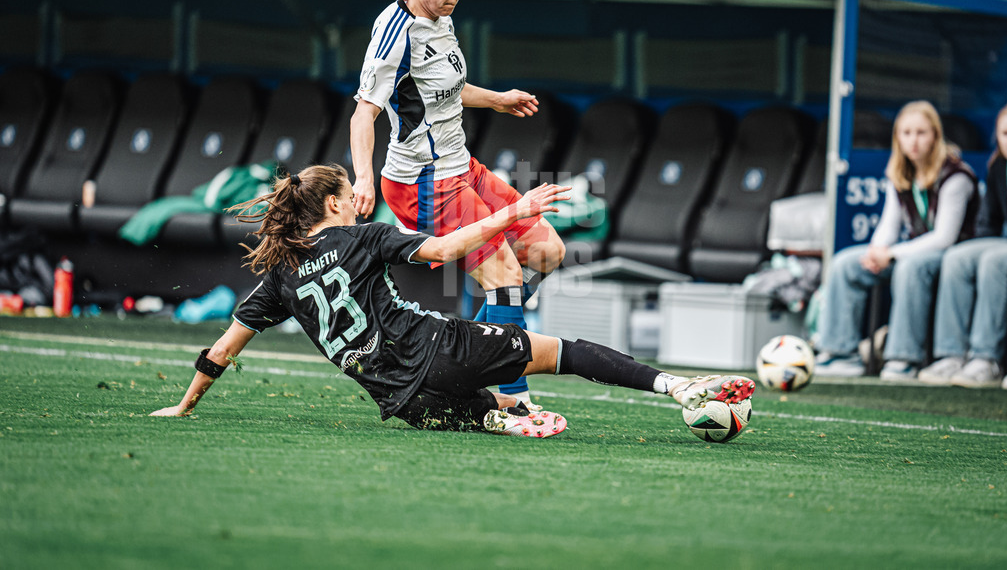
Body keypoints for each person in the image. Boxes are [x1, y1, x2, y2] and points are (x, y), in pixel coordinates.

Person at [148, 164, 756, 437]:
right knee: (558, 351)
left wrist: (184, 407)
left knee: (482, 400)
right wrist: (513, 214)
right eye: (348, 193)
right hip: (437, 351)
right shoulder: (363, 236)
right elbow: (442, 250)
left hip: (400, 403)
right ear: (334, 204)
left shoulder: (279, 275)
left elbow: (220, 351)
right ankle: (679, 388)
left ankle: (497, 416)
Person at [350, 0, 567, 408]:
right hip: (422, 182)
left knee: (548, 251)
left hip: (461, 166)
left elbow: (447, 87)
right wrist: (363, 178)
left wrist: (498, 100)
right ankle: (512, 401)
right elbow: (364, 112)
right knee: (506, 278)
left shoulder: (439, 18)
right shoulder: (395, 33)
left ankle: (472, 345)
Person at [815, 101, 979, 380]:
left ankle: (904, 357)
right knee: (845, 263)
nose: (913, 141)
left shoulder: (956, 175)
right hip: (911, 251)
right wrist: (876, 251)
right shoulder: (900, 174)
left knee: (909, 267)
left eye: (921, 133)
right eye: (906, 133)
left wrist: (891, 254)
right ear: (897, 138)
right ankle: (840, 352)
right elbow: (889, 225)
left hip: (951, 255)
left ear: (935, 136)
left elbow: (944, 238)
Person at [918, 102, 1007, 388]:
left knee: (994, 260)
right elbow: (989, 222)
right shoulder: (1000, 165)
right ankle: (951, 355)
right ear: (998, 136)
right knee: (958, 257)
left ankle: (986, 358)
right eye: (1006, 133)